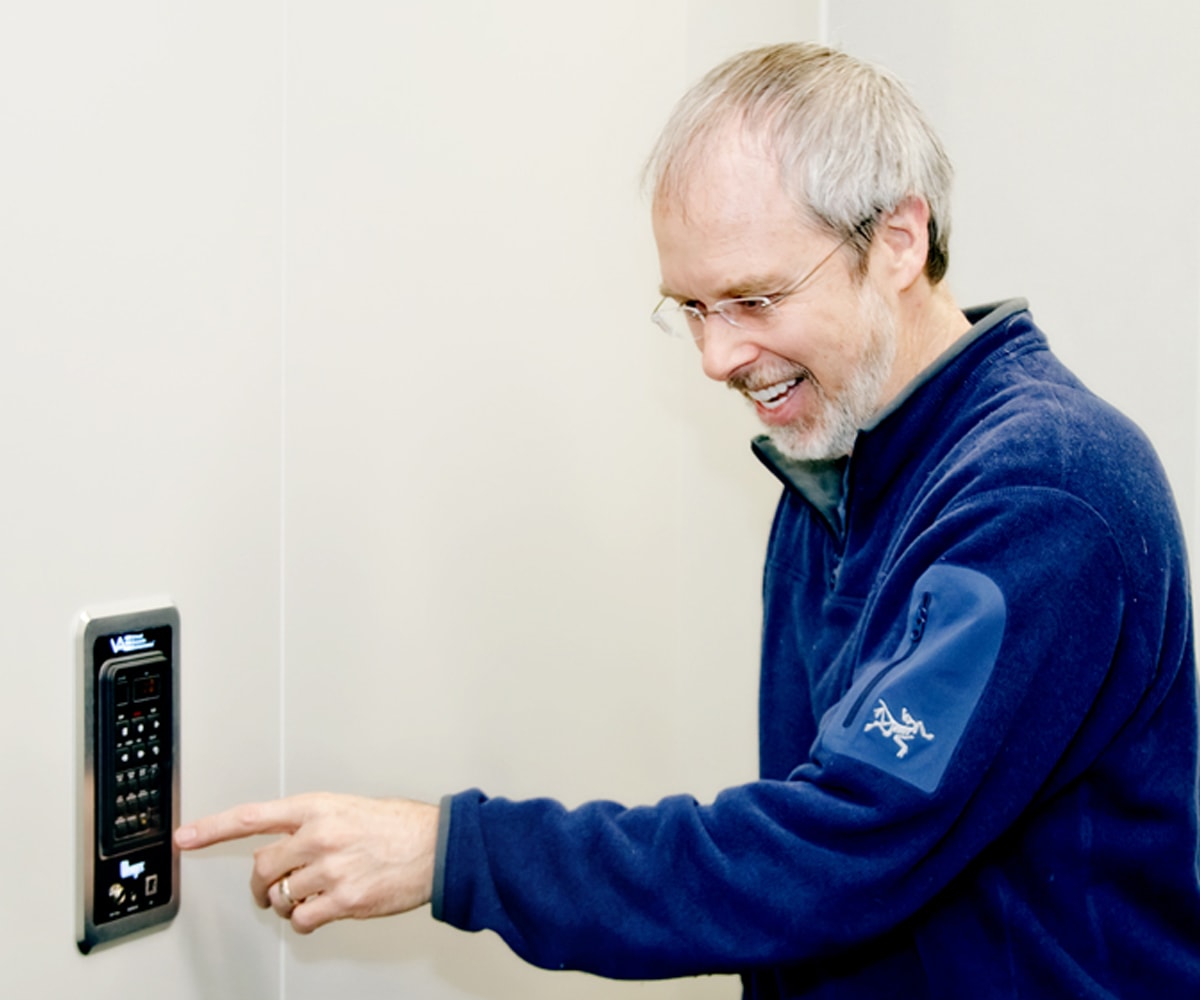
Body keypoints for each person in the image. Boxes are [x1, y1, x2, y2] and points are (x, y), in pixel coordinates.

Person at [175, 42, 1200, 997]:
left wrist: (454, 853)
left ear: (898, 237)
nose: (717, 358)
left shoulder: (1041, 494)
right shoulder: (841, 458)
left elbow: (835, 849)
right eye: (693, 308)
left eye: (754, 299)